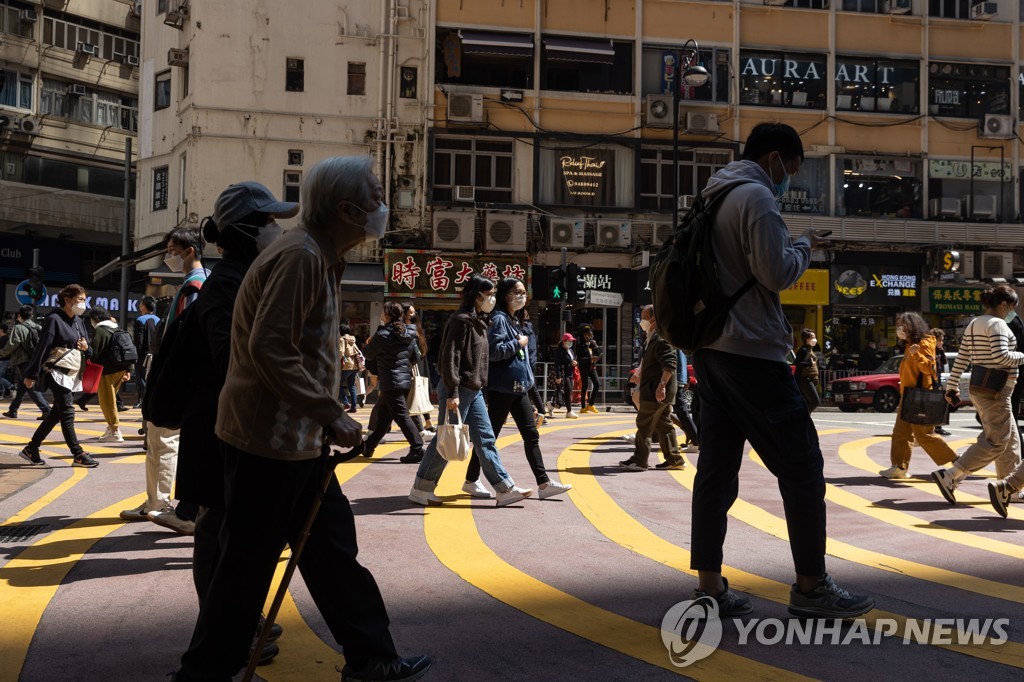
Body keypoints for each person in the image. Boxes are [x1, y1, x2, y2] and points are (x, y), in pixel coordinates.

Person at [173, 156, 429, 682]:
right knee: (245, 570)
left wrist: (322, 419)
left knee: (332, 554)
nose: (383, 207)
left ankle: (371, 656)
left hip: (298, 443)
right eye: (377, 197)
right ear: (347, 210)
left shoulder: (319, 257)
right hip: (267, 444)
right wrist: (331, 412)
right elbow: (269, 348)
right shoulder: (302, 258)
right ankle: (202, 673)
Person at [689, 122, 873, 619]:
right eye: (790, 170)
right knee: (803, 466)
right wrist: (804, 244)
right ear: (774, 159)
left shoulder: (712, 194)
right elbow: (777, 273)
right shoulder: (756, 198)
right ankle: (811, 585)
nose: (789, 180)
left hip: (711, 349)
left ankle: (709, 586)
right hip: (752, 352)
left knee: (717, 470)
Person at [170, 182, 296, 665]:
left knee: (226, 528)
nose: (274, 229)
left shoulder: (248, 274)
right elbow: (231, 359)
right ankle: (223, 631)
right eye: (266, 222)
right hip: (218, 425)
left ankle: (236, 620)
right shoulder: (227, 284)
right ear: (244, 230)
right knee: (216, 529)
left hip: (230, 420)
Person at [408, 274, 534, 508]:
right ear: (476, 295)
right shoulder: (461, 321)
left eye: (494, 294)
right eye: (489, 294)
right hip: (459, 388)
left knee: (485, 439)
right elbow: (450, 356)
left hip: (473, 390)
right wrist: (453, 391)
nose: (493, 298)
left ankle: (504, 488)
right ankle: (421, 488)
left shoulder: (478, 321)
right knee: (446, 439)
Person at [123, 227, 209, 533]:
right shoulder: (193, 283)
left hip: (177, 374)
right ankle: (156, 503)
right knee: (161, 439)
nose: (169, 256)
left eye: (173, 250)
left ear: (190, 251)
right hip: (178, 374)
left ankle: (162, 504)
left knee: (164, 438)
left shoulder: (196, 286)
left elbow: (184, 337)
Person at [460, 277, 572, 500]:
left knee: (530, 435)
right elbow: (493, 351)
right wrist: (517, 344)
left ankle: (544, 483)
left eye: (523, 292)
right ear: (505, 294)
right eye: (517, 292)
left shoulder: (513, 319)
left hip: (518, 388)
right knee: (488, 438)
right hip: (502, 389)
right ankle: (471, 480)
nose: (522, 296)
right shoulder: (500, 319)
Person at [933, 284, 1024, 512]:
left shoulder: (975, 323)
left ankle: (1011, 488)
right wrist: (1023, 356)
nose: (1013, 312)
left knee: (1010, 440)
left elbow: (963, 358)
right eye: (1012, 307)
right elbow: (1001, 356)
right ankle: (951, 474)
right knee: (997, 441)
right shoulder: (997, 324)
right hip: (996, 391)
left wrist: (951, 386)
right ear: (1003, 304)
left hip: (982, 388)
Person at [17, 284, 98, 468]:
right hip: (56, 370)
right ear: (68, 300)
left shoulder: (79, 321)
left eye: (85, 300)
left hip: (72, 371)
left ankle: (31, 449)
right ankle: (78, 454)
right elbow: (43, 347)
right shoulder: (54, 319)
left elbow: (88, 348)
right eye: (80, 300)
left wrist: (87, 348)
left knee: (56, 414)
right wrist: (31, 374)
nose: (83, 304)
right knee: (68, 411)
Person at [878, 314, 958, 479]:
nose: (899, 329)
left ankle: (959, 463)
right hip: (907, 395)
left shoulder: (925, 342)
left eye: (902, 326)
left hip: (919, 396)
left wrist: (916, 355)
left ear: (911, 326)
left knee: (924, 435)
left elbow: (930, 369)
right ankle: (899, 466)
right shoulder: (910, 344)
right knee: (901, 433)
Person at [618, 305, 685, 471]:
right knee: (664, 425)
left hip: (655, 391)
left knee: (644, 423)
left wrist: (661, 385)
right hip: (656, 390)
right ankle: (674, 459)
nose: (642, 320)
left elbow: (670, 364)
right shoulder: (654, 336)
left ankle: (639, 460)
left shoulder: (661, 338)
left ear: (654, 318)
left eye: (644, 316)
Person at [361, 302, 424, 464]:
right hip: (404, 380)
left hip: (390, 381)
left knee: (401, 416)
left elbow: (367, 353)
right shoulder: (409, 333)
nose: (381, 314)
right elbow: (415, 357)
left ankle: (417, 448)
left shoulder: (382, 335)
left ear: (387, 314)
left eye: (382, 311)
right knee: (384, 418)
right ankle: (368, 446)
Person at [84, 305, 132, 443]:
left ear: (96, 318)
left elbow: (95, 351)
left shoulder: (100, 330)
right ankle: (111, 429)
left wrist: (87, 353)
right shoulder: (117, 328)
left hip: (106, 371)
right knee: (112, 401)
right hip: (120, 368)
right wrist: (128, 369)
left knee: (107, 401)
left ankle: (115, 430)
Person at [1, 305, 51, 420]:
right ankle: (13, 410)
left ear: (19, 316)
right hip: (36, 360)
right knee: (22, 387)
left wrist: (1, 353)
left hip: (23, 361)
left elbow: (11, 345)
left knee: (30, 387)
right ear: (31, 315)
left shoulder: (18, 328)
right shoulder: (38, 327)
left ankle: (46, 409)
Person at [403, 303, 436, 437]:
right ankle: (426, 423)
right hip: (412, 364)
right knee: (415, 393)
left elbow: (418, 350)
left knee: (417, 392)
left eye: (414, 312)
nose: (413, 314)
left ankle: (425, 424)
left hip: (415, 364)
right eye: (410, 312)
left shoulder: (412, 328)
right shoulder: (408, 328)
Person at [520, 308, 546, 427]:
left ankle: (536, 412)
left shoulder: (524, 328)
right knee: (530, 388)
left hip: (526, 363)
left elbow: (529, 348)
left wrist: (528, 363)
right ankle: (540, 412)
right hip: (529, 362)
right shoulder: (529, 327)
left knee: (522, 389)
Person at [132, 296, 159, 409]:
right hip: (156, 355)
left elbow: (138, 341)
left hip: (143, 356)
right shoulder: (159, 319)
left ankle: (143, 402)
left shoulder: (140, 320)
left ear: (143, 306)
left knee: (142, 380)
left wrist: (135, 357)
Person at [671, 349, 699, 453]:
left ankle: (695, 440)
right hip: (678, 378)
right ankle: (695, 439)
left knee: (680, 410)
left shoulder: (669, 338)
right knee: (662, 412)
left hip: (674, 379)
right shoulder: (677, 343)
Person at [553, 333, 579, 419]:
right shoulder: (559, 351)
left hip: (570, 373)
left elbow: (573, 359)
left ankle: (550, 405)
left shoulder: (570, 351)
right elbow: (556, 365)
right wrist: (558, 376)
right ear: (564, 341)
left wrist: (575, 363)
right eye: (569, 341)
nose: (570, 343)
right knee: (567, 393)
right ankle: (569, 411)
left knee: (568, 392)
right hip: (563, 374)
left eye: (571, 341)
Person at [793, 328, 820, 413]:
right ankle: (803, 418)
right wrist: (809, 364)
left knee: (807, 402)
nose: (815, 339)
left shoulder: (809, 349)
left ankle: (805, 421)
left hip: (811, 379)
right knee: (815, 402)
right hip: (805, 379)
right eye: (812, 337)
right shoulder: (803, 350)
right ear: (807, 339)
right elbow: (797, 363)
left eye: (815, 337)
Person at [931, 329, 952, 436]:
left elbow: (944, 363)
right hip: (930, 383)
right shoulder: (929, 351)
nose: (942, 343)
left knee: (938, 405)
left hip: (937, 382)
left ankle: (938, 427)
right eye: (940, 340)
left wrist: (941, 350)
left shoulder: (938, 351)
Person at [576, 325, 602, 414]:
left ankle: (591, 404)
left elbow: (599, 355)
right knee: (585, 386)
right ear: (583, 335)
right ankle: (583, 407)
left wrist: (596, 346)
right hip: (584, 367)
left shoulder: (592, 344)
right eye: (587, 335)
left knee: (597, 384)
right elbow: (579, 359)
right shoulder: (580, 344)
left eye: (590, 335)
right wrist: (590, 359)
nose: (588, 337)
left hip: (592, 367)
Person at [339, 322, 360, 412]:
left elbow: (341, 352)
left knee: (337, 385)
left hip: (346, 366)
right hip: (354, 366)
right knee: (352, 386)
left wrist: (338, 361)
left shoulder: (342, 339)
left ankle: (346, 402)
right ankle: (354, 407)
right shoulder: (352, 339)